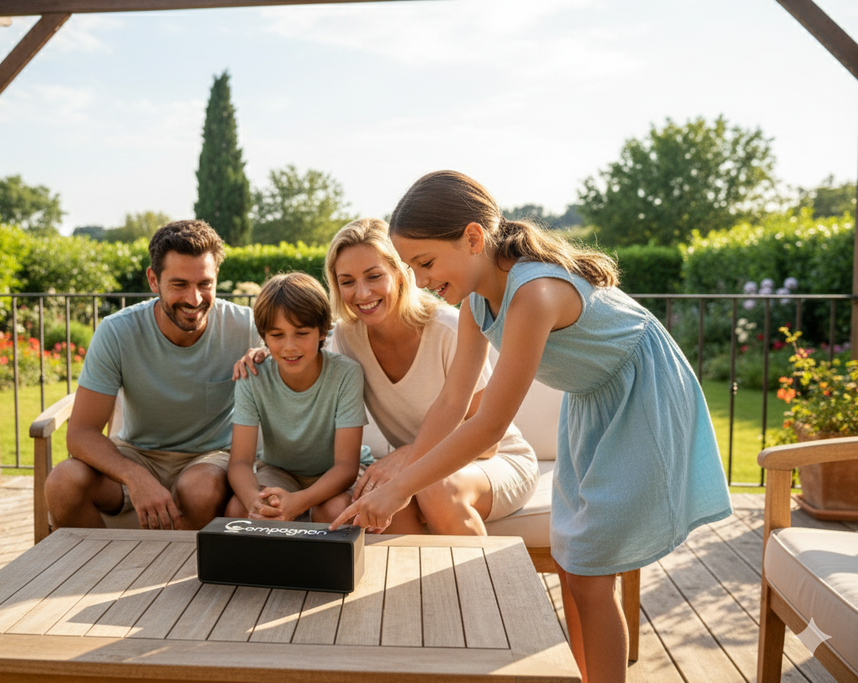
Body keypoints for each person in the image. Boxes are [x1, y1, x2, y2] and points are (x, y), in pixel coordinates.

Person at [331, 171, 733, 683]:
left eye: (426, 262)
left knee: (589, 579)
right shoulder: (477, 301)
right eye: (411, 266)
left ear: (474, 238)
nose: (422, 279)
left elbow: (488, 426)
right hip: (593, 403)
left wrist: (401, 488)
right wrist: (402, 484)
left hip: (640, 398)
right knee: (573, 566)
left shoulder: (535, 293)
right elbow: (452, 403)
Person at [45, 220, 261, 531]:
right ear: (153, 280)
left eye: (205, 284)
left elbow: (308, 352)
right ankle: (104, 573)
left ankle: (182, 577)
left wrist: (266, 354)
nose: (195, 299)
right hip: (136, 454)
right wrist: (135, 477)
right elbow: (81, 433)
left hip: (211, 459)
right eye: (179, 284)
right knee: (63, 483)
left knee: (199, 489)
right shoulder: (117, 331)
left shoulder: (247, 328)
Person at [325, 218, 537, 534]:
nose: (362, 293)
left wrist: (410, 455)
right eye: (347, 281)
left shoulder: (447, 329)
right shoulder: (347, 337)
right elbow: (307, 364)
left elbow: (488, 444)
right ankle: (415, 585)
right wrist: (262, 356)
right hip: (417, 471)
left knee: (434, 487)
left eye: (374, 276)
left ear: (400, 274)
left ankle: (485, 584)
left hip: (494, 463)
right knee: (383, 498)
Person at [226, 272, 370, 524]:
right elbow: (239, 462)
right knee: (240, 510)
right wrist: (255, 504)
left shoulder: (346, 373)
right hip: (279, 471)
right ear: (263, 335)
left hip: (335, 472)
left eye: (301, 333)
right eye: (277, 335)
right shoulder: (252, 376)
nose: (289, 346)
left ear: (322, 331)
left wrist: (298, 503)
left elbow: (346, 467)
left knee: (333, 512)